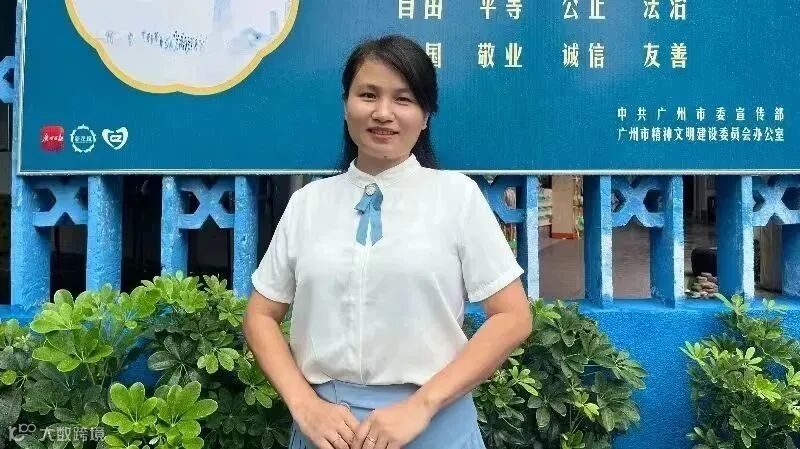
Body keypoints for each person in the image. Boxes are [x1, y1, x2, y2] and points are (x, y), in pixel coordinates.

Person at [243, 35, 532, 449]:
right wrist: (304, 405)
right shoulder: (308, 203)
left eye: (403, 99)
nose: (383, 113)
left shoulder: (457, 197)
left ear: (425, 115)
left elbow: (512, 316)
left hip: (434, 428)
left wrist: (422, 406)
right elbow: (260, 315)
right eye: (368, 95)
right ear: (346, 104)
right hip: (329, 433)